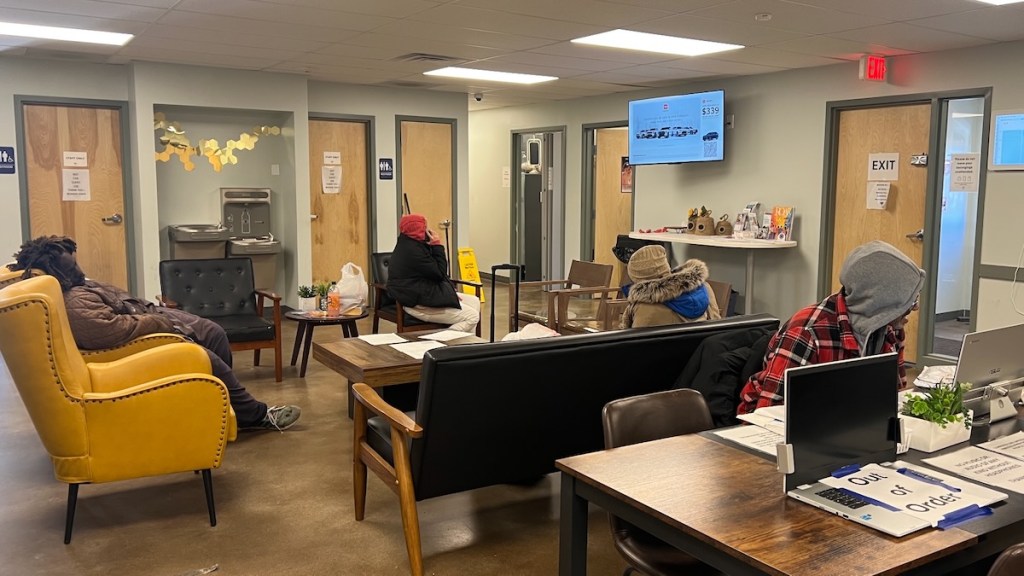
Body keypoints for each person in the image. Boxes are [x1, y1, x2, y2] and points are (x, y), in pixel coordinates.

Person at [10, 235, 300, 431]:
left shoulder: (75, 285)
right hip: (144, 335)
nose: (79, 268)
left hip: (149, 314)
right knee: (207, 356)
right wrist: (158, 324)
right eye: (72, 266)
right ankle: (256, 415)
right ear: (54, 271)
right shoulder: (74, 301)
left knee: (213, 331)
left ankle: (219, 413)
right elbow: (110, 334)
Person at [736, 240, 925, 415]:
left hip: (845, 422)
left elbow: (893, 398)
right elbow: (769, 411)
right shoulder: (806, 333)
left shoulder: (890, 329)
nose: (915, 307)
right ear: (880, 302)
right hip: (779, 427)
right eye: (908, 301)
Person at [386, 213, 480, 333]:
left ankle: (468, 344)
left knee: (474, 301)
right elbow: (440, 273)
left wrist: (449, 292)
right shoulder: (413, 251)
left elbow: (434, 274)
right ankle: (440, 345)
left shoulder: (409, 244)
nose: (427, 231)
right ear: (418, 230)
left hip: (423, 295)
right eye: (425, 228)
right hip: (419, 304)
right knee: (472, 317)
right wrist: (437, 245)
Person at [619, 245, 721, 328]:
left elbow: (636, 345)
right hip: (702, 350)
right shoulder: (705, 288)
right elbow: (717, 325)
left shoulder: (643, 308)